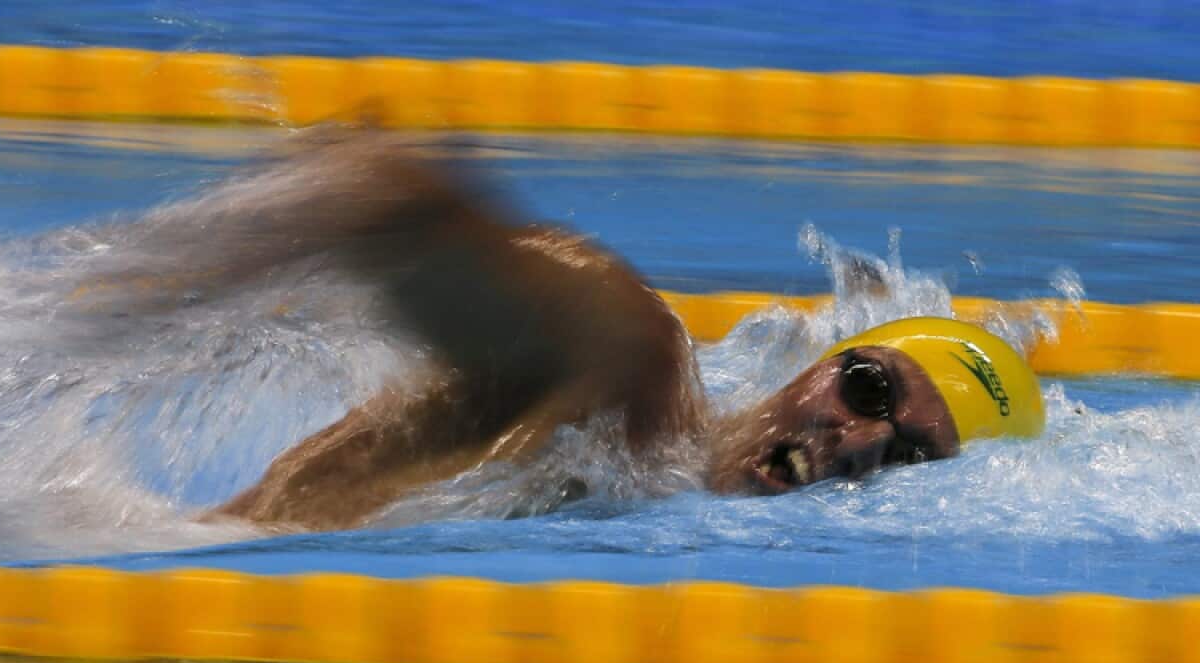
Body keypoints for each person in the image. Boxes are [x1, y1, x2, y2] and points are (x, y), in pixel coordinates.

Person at [123, 127, 1042, 531]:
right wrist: (111, 309)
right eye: (871, 388)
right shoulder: (635, 374)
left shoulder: (662, 494)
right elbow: (380, 185)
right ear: (820, 363)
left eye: (914, 455)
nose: (866, 442)